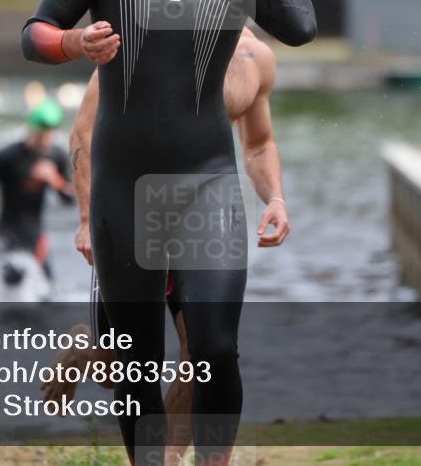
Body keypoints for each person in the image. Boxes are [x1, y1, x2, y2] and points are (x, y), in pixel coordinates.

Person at [20, 0, 316, 464]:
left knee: (213, 348)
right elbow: (34, 32)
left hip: (206, 182)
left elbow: (301, 24)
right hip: (123, 190)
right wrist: (73, 42)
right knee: (135, 363)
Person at [42, 26, 288, 463]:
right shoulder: (143, 39)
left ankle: (168, 457)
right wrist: (85, 219)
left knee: (207, 350)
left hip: (201, 213)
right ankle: (85, 348)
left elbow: (259, 143)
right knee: (120, 366)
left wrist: (276, 198)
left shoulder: (256, 58)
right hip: (131, 207)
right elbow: (83, 133)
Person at [0, 99, 74, 280]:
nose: (44, 139)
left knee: (46, 290)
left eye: (49, 134)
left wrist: (55, 180)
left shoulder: (56, 156)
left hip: (36, 235)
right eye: (40, 133)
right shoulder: (6, 157)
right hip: (6, 233)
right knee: (14, 280)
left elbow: (70, 200)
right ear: (30, 128)